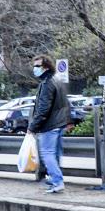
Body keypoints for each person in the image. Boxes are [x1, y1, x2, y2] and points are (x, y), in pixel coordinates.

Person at [26, 56, 69, 194]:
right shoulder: (57, 80)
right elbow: (65, 103)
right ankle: (54, 179)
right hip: (59, 123)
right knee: (55, 154)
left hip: (49, 125)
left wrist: (32, 127)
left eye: (37, 66)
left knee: (47, 154)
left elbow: (43, 109)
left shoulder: (47, 83)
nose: (35, 69)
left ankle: (57, 181)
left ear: (46, 67)